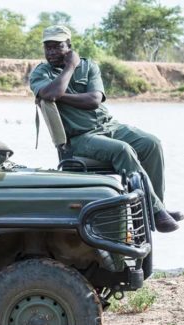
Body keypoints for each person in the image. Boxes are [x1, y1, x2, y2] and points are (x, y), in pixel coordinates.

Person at [30, 25, 180, 233]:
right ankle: (156, 213)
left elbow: (93, 100)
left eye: (58, 46)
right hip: (80, 138)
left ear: (70, 46)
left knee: (152, 143)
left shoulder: (89, 66)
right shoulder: (41, 72)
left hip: (109, 126)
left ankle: (155, 208)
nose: (52, 52)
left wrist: (58, 94)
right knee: (122, 150)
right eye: (48, 47)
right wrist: (69, 68)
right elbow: (50, 93)